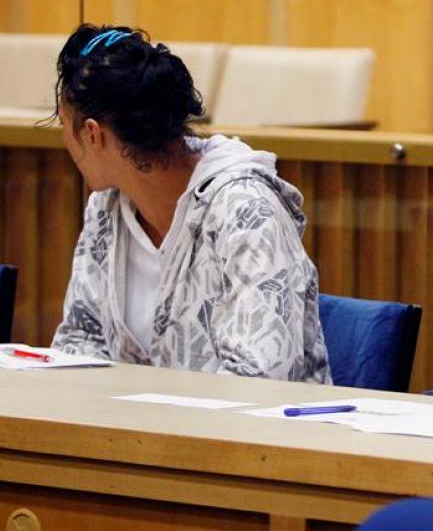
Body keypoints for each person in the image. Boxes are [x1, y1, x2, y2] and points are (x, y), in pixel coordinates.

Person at [50, 24, 331, 383]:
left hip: (254, 435)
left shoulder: (246, 211)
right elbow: (78, 340)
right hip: (131, 434)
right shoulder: (106, 209)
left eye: (63, 125)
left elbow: (258, 378)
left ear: (92, 133)